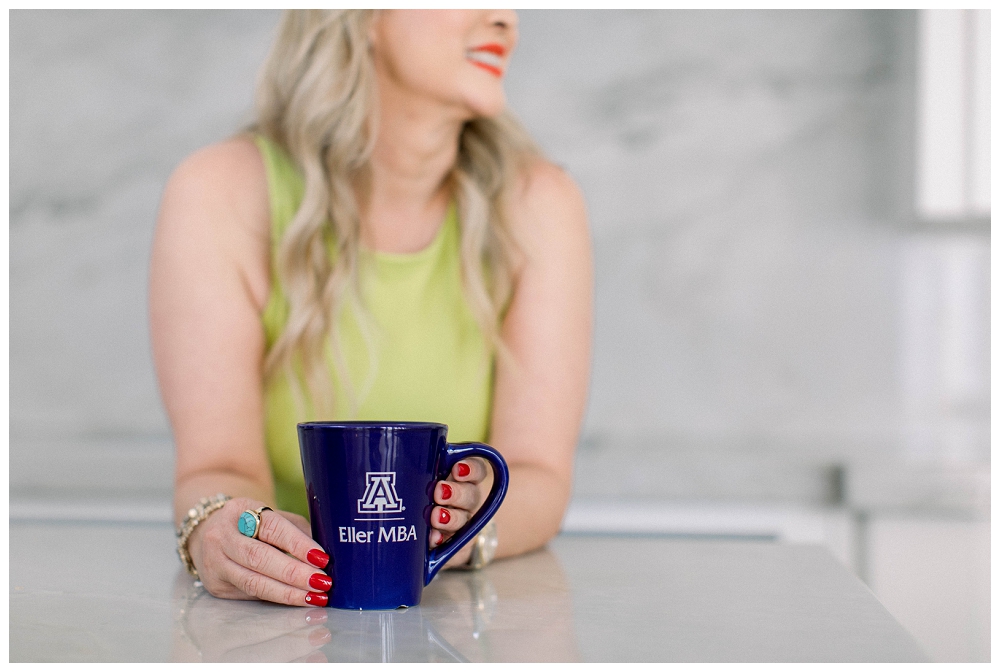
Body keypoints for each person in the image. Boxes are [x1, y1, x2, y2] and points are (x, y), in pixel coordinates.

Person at [150, 9, 592, 607]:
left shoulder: (540, 205)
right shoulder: (220, 193)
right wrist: (225, 531)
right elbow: (217, 464)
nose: (505, 20)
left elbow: (539, 474)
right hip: (274, 627)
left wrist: (466, 529)